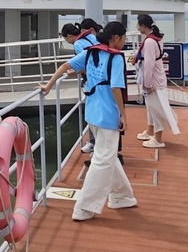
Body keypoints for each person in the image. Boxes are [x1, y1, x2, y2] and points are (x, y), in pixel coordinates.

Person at [40, 21, 136, 221]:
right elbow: (116, 88)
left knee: (106, 155)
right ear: (115, 38)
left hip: (92, 112)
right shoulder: (116, 58)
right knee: (103, 160)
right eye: (124, 38)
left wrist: (49, 85)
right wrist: (123, 114)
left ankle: (121, 196)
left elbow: (65, 66)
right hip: (108, 114)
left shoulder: (90, 52)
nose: (125, 41)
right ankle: (84, 207)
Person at [133, 14, 180, 148]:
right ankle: (150, 131)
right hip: (157, 76)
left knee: (156, 108)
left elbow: (149, 64)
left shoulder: (149, 42)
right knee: (151, 107)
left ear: (143, 26)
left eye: (138, 25)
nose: (137, 27)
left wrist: (147, 84)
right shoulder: (156, 38)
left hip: (153, 79)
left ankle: (158, 139)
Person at [60, 18, 101, 153]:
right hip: (102, 77)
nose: (68, 42)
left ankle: (94, 143)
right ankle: (97, 142)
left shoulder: (78, 44)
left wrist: (75, 71)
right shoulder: (91, 36)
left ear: (69, 36)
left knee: (91, 112)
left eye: (66, 40)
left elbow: (86, 64)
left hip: (92, 81)